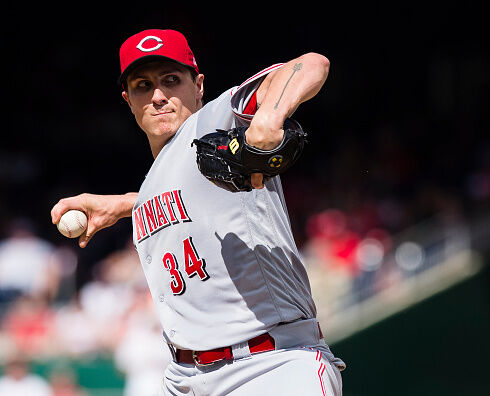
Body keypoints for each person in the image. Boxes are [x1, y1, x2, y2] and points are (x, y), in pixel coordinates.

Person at [50, 29, 344, 395]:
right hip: (185, 379)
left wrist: (269, 115)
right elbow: (184, 196)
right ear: (128, 100)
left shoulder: (217, 121)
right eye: (143, 85)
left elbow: (311, 65)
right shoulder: (155, 178)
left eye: (171, 80)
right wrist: (125, 204)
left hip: (270, 365)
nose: (158, 96)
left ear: (198, 85)